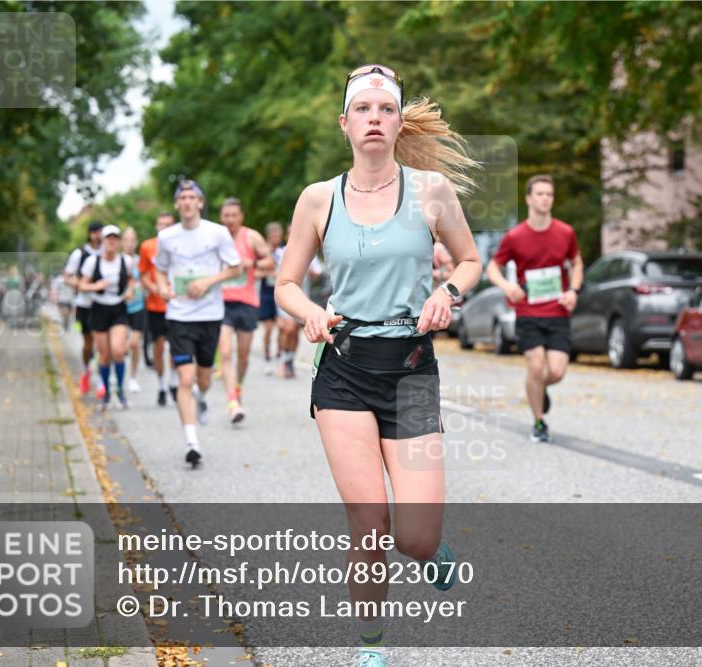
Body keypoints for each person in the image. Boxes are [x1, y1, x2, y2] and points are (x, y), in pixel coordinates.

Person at [275, 64, 481, 667]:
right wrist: (309, 311)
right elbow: (285, 281)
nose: (374, 119)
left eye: (384, 109)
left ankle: (431, 553)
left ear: (397, 123)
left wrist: (448, 293)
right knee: (369, 526)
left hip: (413, 368)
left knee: (414, 536)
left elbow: (468, 261)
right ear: (344, 124)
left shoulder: (431, 191)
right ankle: (371, 650)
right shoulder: (318, 199)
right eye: (361, 110)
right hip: (343, 366)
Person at [487, 174, 583, 443]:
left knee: (556, 371)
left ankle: (537, 389)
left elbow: (576, 263)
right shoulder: (515, 236)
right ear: (529, 198)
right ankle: (539, 422)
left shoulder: (565, 233)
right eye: (540, 194)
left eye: (549, 195)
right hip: (528, 312)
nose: (545, 199)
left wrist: (573, 291)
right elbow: (492, 267)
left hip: (558, 312)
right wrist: (507, 287)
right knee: (536, 364)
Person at [154, 180, 242, 467]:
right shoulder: (167, 237)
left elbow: (235, 268)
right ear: (178, 204)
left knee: (203, 378)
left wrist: (208, 281)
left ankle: (202, 398)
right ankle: (192, 442)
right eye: (183, 197)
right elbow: (159, 270)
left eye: (193, 197)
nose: (188, 202)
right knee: (185, 378)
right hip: (179, 316)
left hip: (210, 315)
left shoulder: (216, 233)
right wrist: (163, 289)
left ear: (201, 203)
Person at [217, 198, 274, 423]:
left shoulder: (251, 237)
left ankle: (237, 387)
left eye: (234, 215)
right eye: (226, 215)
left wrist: (253, 264)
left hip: (247, 302)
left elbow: (270, 262)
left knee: (242, 354)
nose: (230, 219)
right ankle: (232, 401)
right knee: (226, 353)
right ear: (222, 217)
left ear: (241, 217)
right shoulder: (216, 238)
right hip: (221, 303)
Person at [78, 225, 137, 410]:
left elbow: (130, 280)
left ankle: (120, 389)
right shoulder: (92, 262)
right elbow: (82, 285)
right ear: (102, 241)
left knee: (118, 350)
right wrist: (96, 286)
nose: (112, 242)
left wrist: (129, 291)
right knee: (104, 355)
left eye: (115, 238)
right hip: (99, 308)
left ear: (118, 242)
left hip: (118, 308)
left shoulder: (125, 261)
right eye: (108, 238)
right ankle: (106, 393)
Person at [275, 222, 324, 379]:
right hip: (285, 297)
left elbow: (318, 273)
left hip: (302, 298)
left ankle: (289, 360)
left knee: (294, 332)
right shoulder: (279, 253)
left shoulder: (310, 253)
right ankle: (283, 357)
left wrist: (307, 270)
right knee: (287, 328)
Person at [140, 213, 178, 406]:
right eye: (161, 224)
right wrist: (154, 288)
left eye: (168, 225)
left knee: (175, 347)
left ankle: (173, 382)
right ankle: (161, 385)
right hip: (155, 305)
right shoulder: (147, 246)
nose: (164, 228)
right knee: (159, 344)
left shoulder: (180, 244)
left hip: (176, 304)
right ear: (156, 225)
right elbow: (143, 274)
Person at [64, 221, 103, 394]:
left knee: (101, 340)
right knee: (88, 342)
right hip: (84, 303)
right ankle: (87, 370)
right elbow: (67, 277)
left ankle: (102, 377)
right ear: (90, 234)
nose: (98, 235)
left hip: (102, 303)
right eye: (95, 232)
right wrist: (79, 284)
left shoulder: (107, 252)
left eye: (100, 232)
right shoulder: (80, 254)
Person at [257, 221, 284, 374]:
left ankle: (279, 354)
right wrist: (268, 273)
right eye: (273, 235)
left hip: (280, 292)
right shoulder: (263, 252)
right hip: (266, 292)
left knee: (281, 326)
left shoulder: (284, 250)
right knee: (267, 329)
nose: (276, 238)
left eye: (278, 236)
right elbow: (254, 272)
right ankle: (266, 357)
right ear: (268, 236)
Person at [122, 227, 147, 394]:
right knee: (120, 346)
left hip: (138, 306)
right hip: (121, 308)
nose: (130, 243)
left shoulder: (141, 261)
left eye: (132, 240)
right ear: (122, 242)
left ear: (136, 242)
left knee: (135, 344)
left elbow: (147, 280)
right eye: (126, 239)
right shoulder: (117, 261)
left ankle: (132, 377)